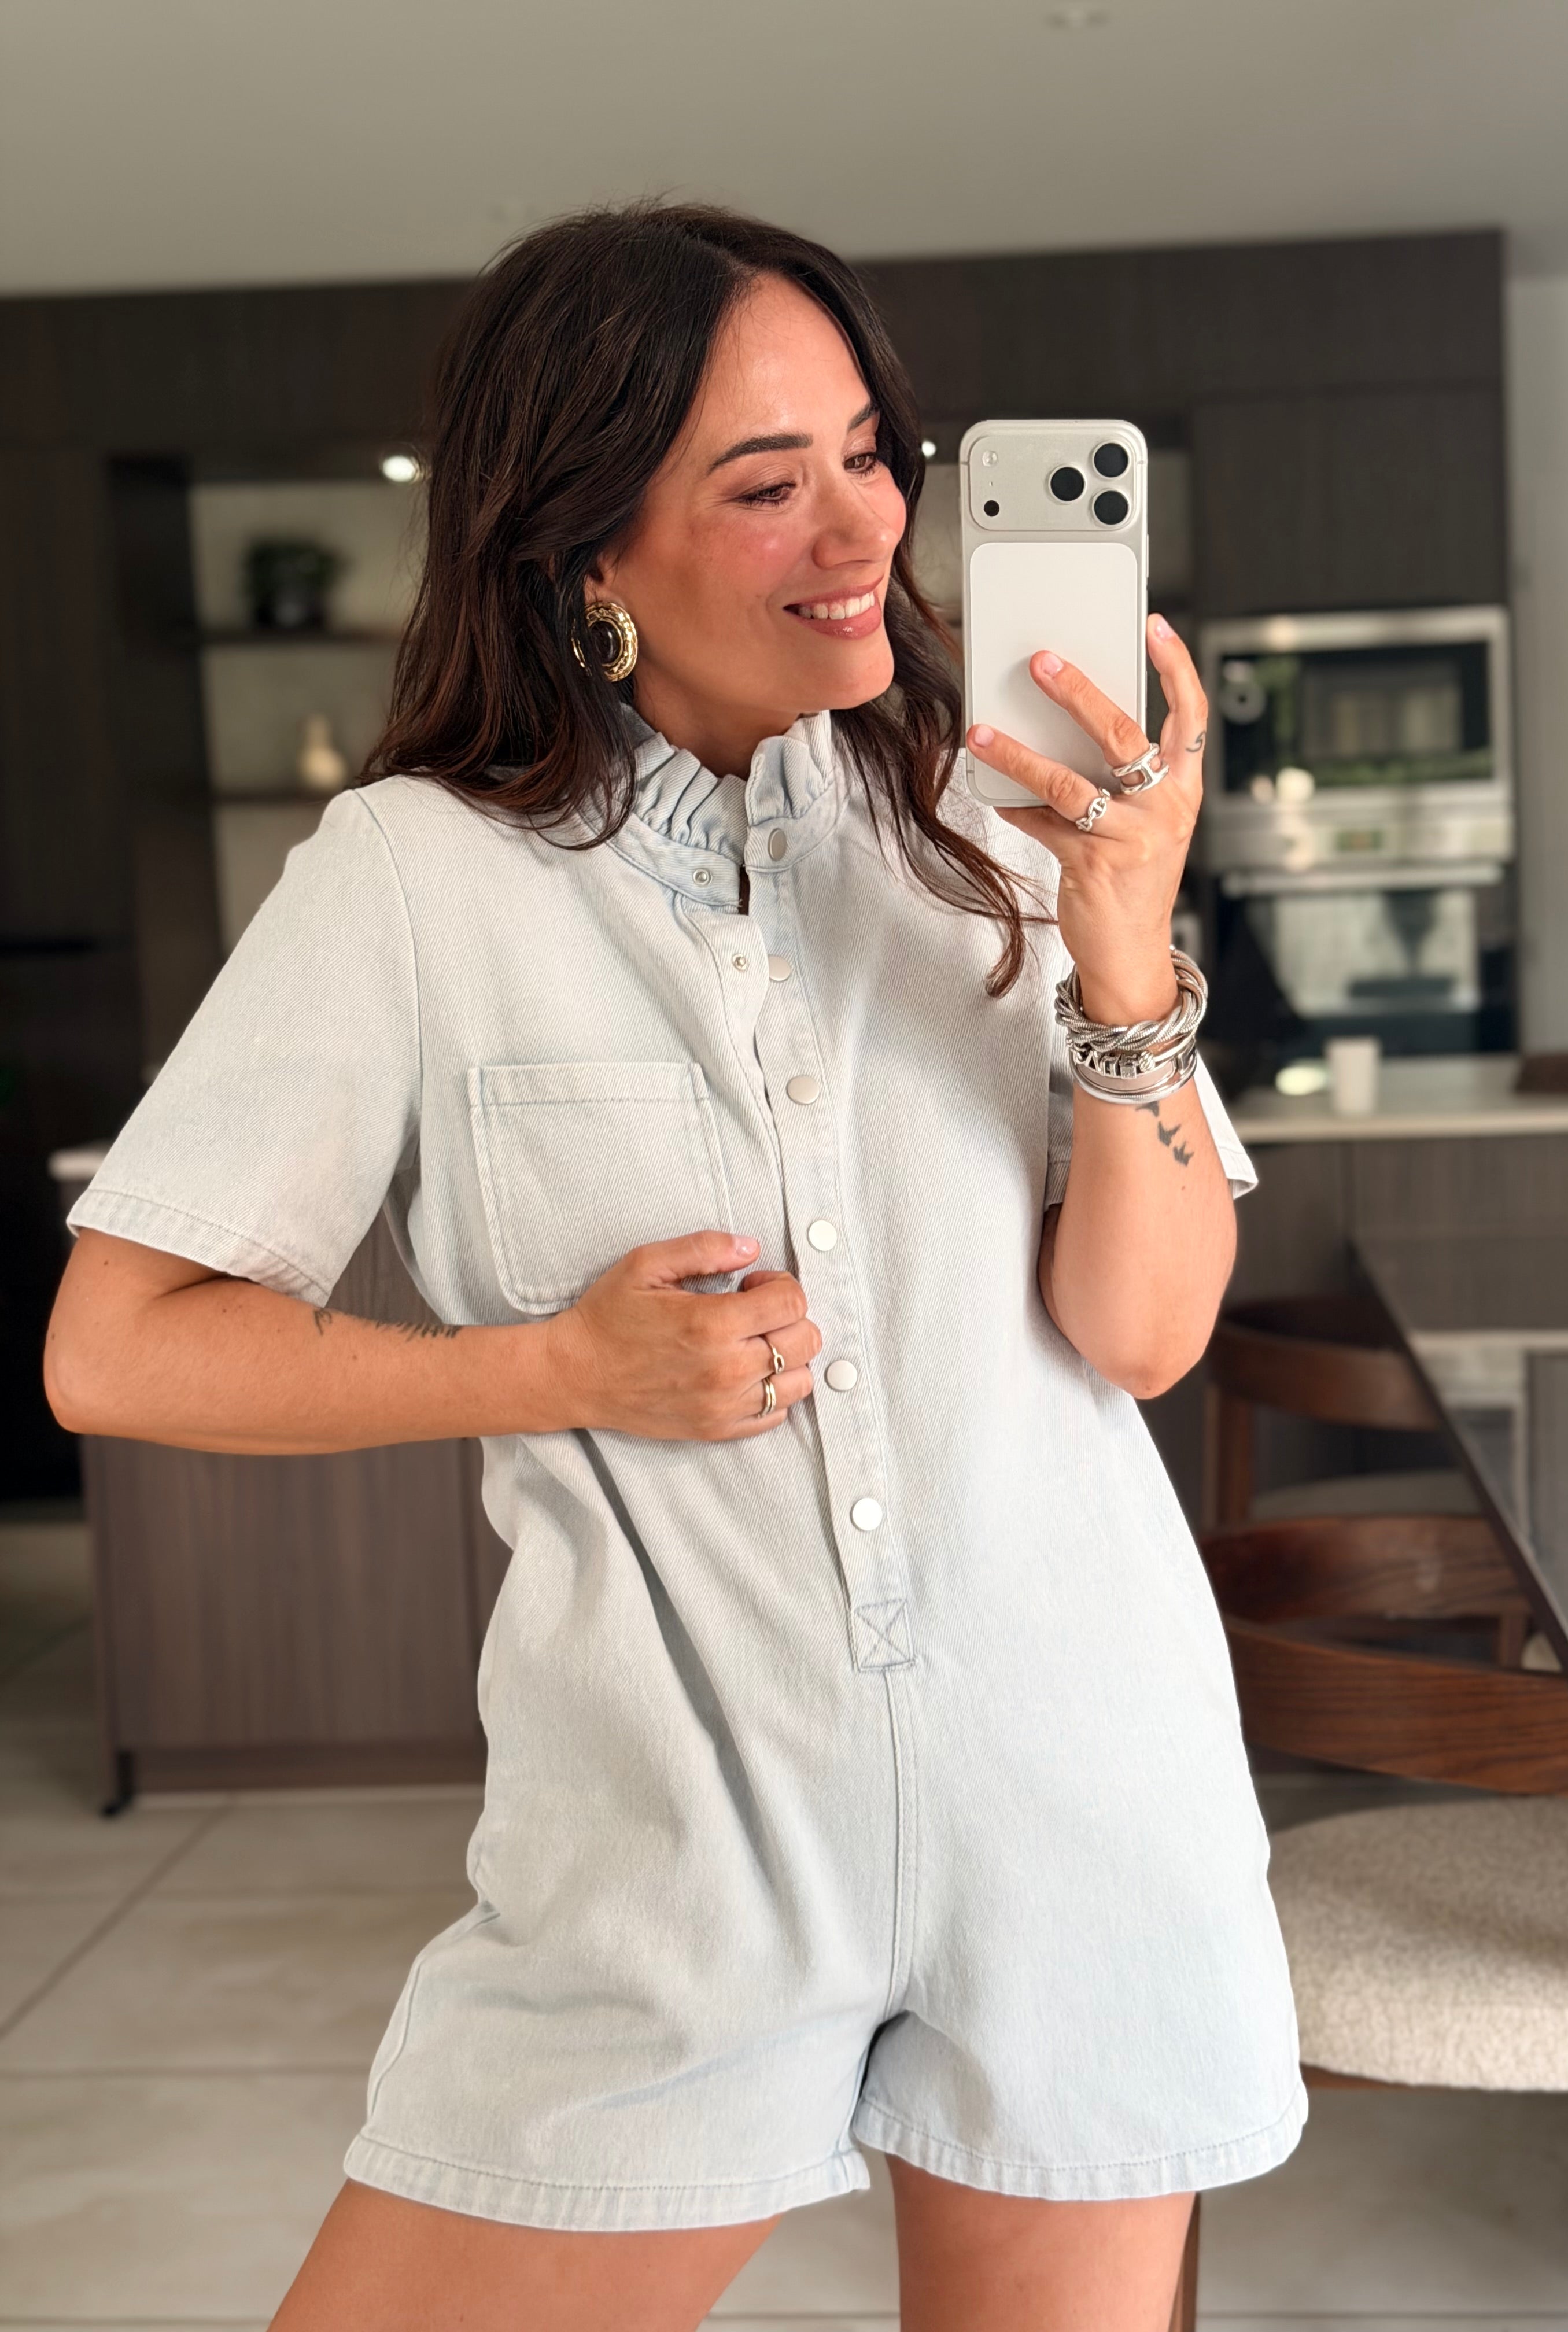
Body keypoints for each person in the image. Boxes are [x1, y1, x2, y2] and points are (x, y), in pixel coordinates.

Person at [45, 202, 1304, 2331]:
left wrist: (1120, 953)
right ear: (583, 552)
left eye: (872, 452)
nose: (865, 525)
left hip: (1087, 1808)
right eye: (765, 482)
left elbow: (1146, 1330)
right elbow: (119, 1351)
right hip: (673, 1858)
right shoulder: (419, 877)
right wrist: (554, 1369)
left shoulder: (1006, 832)